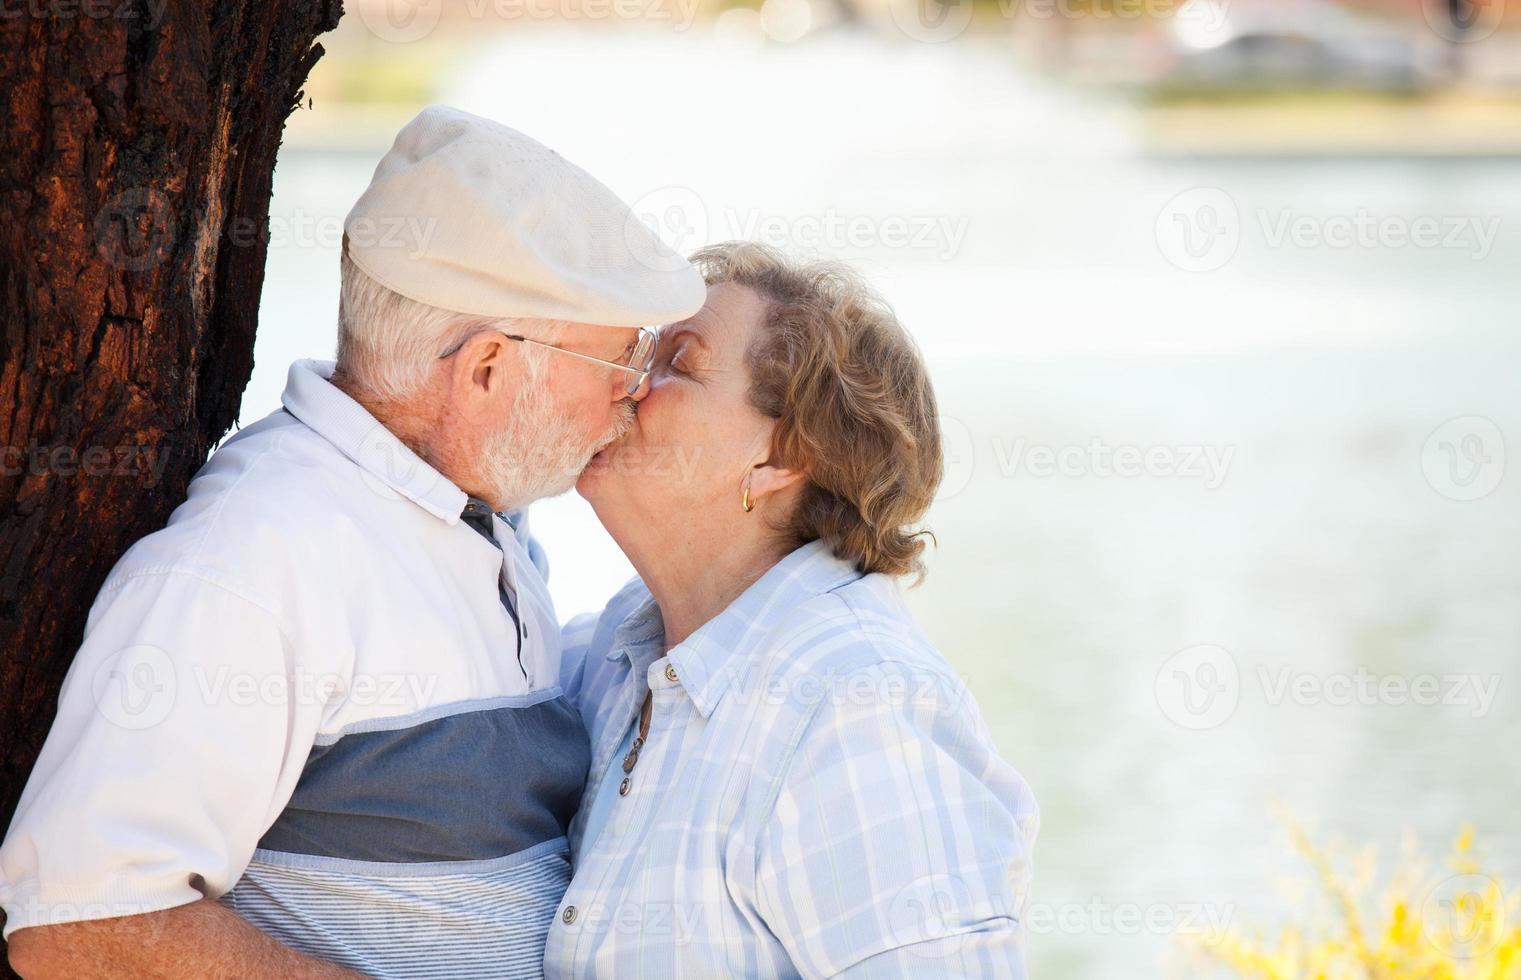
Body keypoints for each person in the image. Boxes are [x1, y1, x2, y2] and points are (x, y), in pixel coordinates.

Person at [0, 105, 704, 979]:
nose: (633, 397)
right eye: (618, 367)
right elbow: (80, 925)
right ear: (487, 369)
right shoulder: (254, 560)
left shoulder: (477, 514)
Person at [548, 241, 1038, 977]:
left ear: (778, 458)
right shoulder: (621, 647)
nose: (624, 381)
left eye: (676, 363)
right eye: (640, 350)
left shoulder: (859, 707)